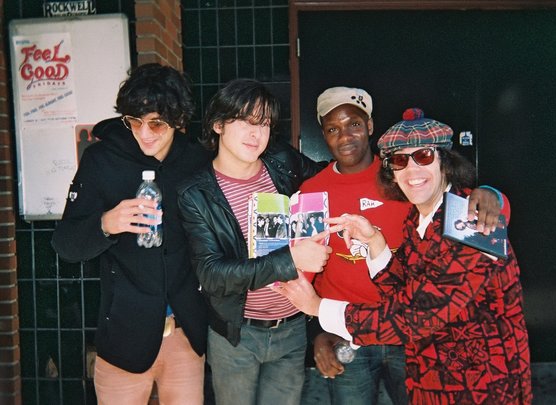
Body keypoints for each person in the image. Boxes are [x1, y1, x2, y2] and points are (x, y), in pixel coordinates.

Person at [279, 108, 532, 404]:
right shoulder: (419, 217)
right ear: (392, 173)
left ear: (444, 162)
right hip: (431, 377)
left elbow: (414, 318)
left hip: (481, 384)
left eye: (423, 156)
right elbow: (403, 289)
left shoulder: (469, 223)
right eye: (400, 160)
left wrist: (318, 307)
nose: (412, 171)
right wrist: (374, 240)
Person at [51, 64, 211, 404]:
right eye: (134, 121)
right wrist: (106, 223)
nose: (144, 133)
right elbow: (65, 243)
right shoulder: (102, 159)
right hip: (123, 333)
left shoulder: (196, 159)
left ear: (178, 119)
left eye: (156, 123)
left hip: (185, 331)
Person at [177, 78, 331, 405]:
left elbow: (334, 178)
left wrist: (465, 186)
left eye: (264, 124)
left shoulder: (283, 164)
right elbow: (212, 274)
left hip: (291, 329)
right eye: (245, 121)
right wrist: (292, 260)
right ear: (218, 124)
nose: (255, 133)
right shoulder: (197, 194)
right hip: (236, 334)